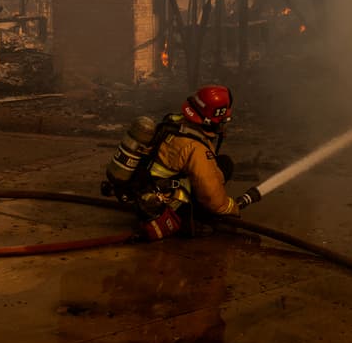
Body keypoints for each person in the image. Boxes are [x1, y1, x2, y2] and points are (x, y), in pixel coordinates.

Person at [105, 84, 260, 240]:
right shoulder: (195, 147)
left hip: (145, 191)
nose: (224, 124)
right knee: (216, 188)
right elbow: (211, 197)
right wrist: (231, 207)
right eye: (223, 120)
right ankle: (183, 222)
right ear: (212, 120)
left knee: (222, 163)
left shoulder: (175, 121)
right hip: (164, 204)